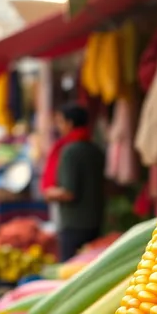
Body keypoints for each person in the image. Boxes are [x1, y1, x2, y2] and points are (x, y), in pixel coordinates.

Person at [41, 103, 105, 262]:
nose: (59, 127)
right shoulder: (95, 149)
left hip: (74, 224)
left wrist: (48, 193)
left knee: (71, 268)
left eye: (61, 122)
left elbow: (69, 193)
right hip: (95, 221)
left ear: (70, 123)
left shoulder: (70, 151)